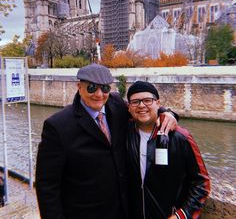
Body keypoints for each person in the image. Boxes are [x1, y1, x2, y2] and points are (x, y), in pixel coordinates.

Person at [36, 63, 178, 219]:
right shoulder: (58, 126)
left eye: (104, 88)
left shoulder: (115, 104)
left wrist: (166, 113)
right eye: (91, 88)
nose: (99, 94)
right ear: (79, 87)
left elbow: (142, 109)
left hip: (122, 211)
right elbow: (47, 187)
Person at [126, 81, 211, 219]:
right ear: (129, 107)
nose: (141, 105)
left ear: (158, 104)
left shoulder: (180, 137)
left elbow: (201, 183)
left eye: (147, 100)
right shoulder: (124, 132)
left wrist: (181, 215)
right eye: (135, 102)